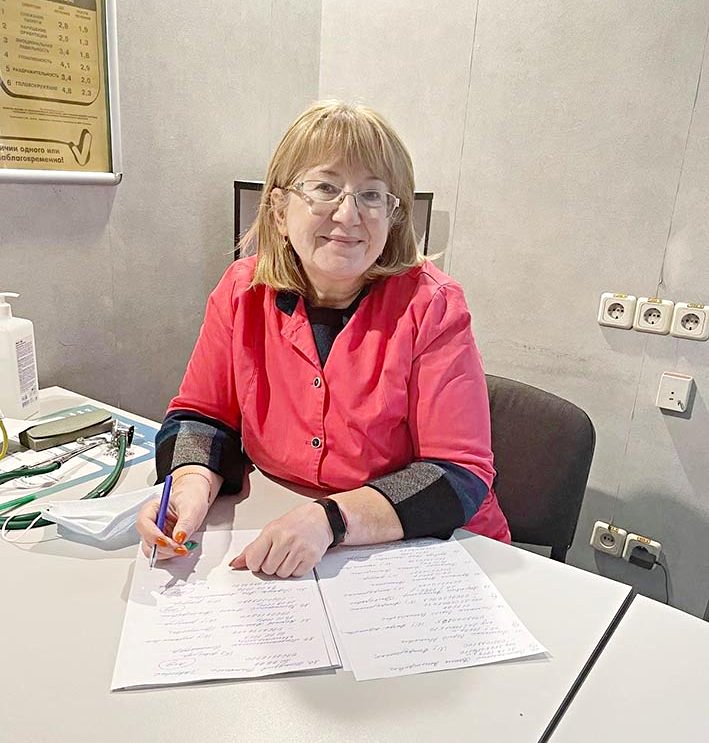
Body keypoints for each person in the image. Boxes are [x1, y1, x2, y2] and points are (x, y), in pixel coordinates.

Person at [136, 100, 510, 577]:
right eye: (325, 188)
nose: (348, 214)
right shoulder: (241, 290)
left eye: (372, 195)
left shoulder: (433, 305)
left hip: (435, 549)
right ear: (278, 210)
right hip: (284, 526)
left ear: (393, 215)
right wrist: (189, 488)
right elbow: (202, 417)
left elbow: (458, 473)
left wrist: (330, 518)